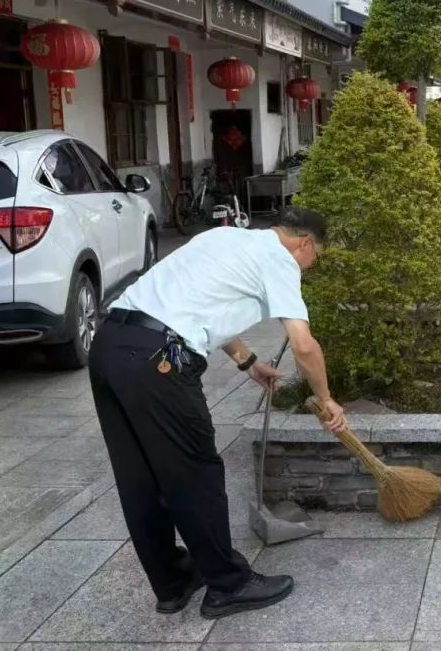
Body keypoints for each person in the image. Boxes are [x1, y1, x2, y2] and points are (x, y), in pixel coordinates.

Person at [89, 207, 347, 618]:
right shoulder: (281, 259)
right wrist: (327, 398)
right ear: (304, 244)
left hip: (109, 346)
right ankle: (229, 585)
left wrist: (248, 361)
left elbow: (199, 304)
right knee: (196, 472)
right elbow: (303, 345)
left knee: (139, 475)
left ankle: (172, 582)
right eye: (317, 256)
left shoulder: (224, 237)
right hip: (159, 360)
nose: (312, 265)